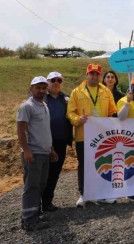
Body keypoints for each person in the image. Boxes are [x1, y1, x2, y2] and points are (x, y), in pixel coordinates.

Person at [67, 63, 117, 207]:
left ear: (99, 76)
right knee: (83, 164)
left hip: (102, 137)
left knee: (103, 164)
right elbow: (70, 112)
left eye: (97, 74)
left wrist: (112, 121)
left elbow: (112, 111)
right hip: (83, 135)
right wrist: (78, 119)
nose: (94, 76)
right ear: (87, 74)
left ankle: (102, 194)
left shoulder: (106, 92)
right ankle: (83, 194)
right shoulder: (76, 92)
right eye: (92, 73)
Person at [17, 76, 57, 231]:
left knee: (40, 185)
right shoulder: (27, 107)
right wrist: (26, 150)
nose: (41, 90)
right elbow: (20, 130)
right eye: (37, 87)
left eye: (43, 88)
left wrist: (51, 149)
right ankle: (28, 220)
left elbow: (45, 131)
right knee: (32, 186)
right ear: (31, 88)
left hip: (44, 153)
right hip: (33, 153)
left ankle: (35, 213)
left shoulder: (44, 106)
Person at [42, 71, 72, 212]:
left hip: (60, 141)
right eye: (53, 80)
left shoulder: (66, 98)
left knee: (55, 172)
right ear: (47, 82)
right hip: (44, 142)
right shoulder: (40, 97)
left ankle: (47, 202)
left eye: (59, 80)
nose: (56, 83)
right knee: (42, 173)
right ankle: (35, 204)